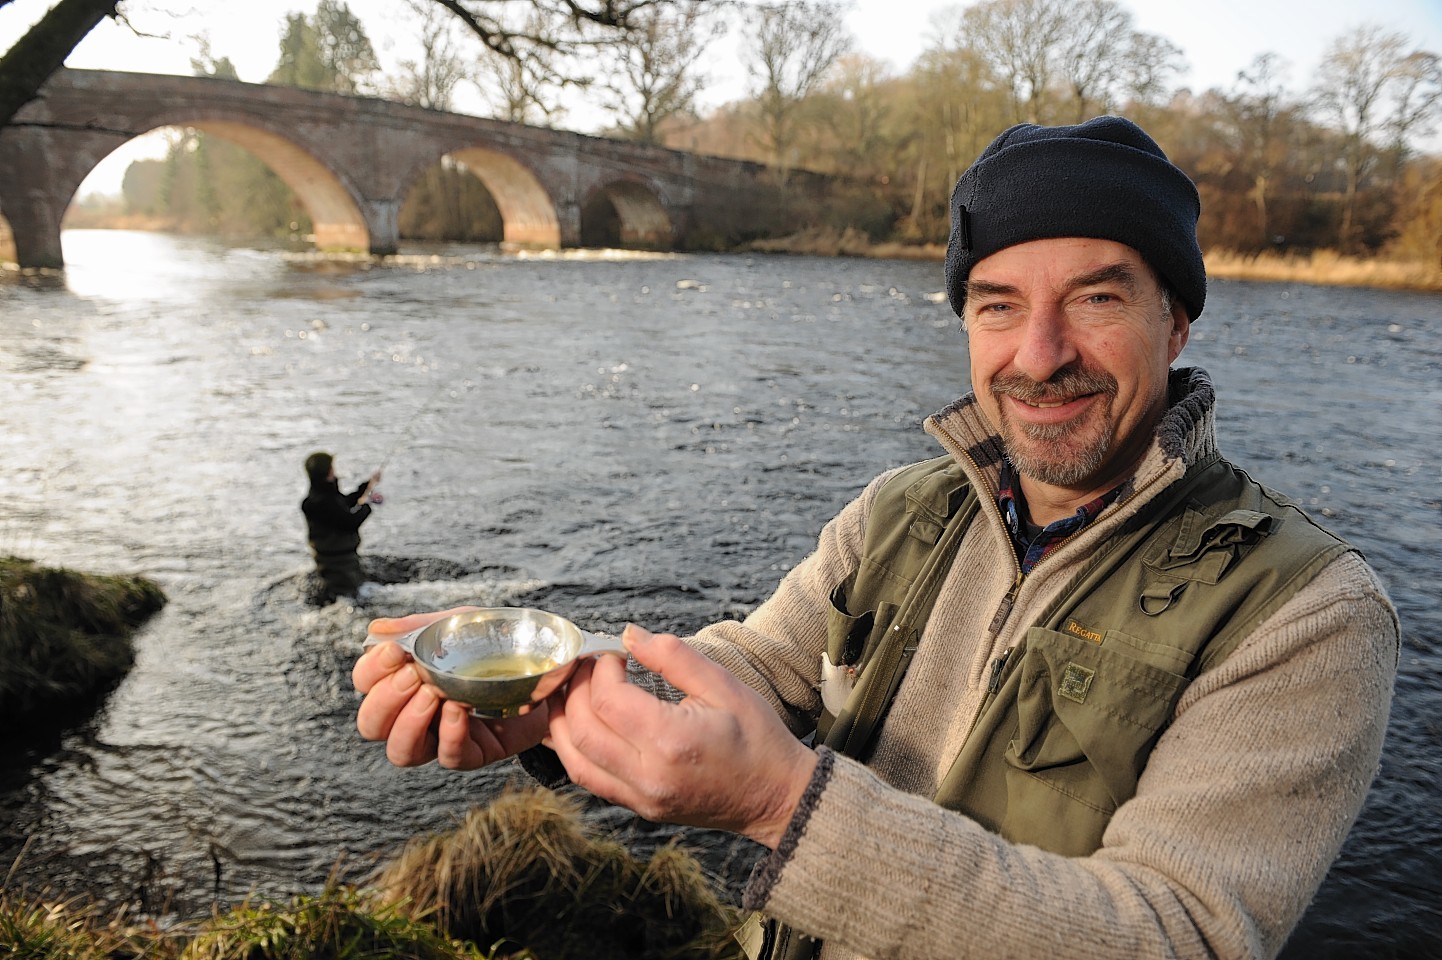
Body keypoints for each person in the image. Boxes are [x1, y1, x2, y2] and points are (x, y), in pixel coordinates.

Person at [352, 116, 1399, 960]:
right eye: (995, 305)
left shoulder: (1305, 613)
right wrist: (560, 693)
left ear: (1174, 323)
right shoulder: (900, 508)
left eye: (1093, 298)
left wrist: (779, 804)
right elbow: (752, 669)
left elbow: (1178, 936)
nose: (1037, 356)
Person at [301, 451, 381, 604]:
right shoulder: (322, 502)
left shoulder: (319, 496)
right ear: (329, 471)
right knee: (349, 598)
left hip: (332, 560)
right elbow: (350, 523)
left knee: (347, 594)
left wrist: (368, 486)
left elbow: (344, 504)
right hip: (339, 563)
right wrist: (367, 504)